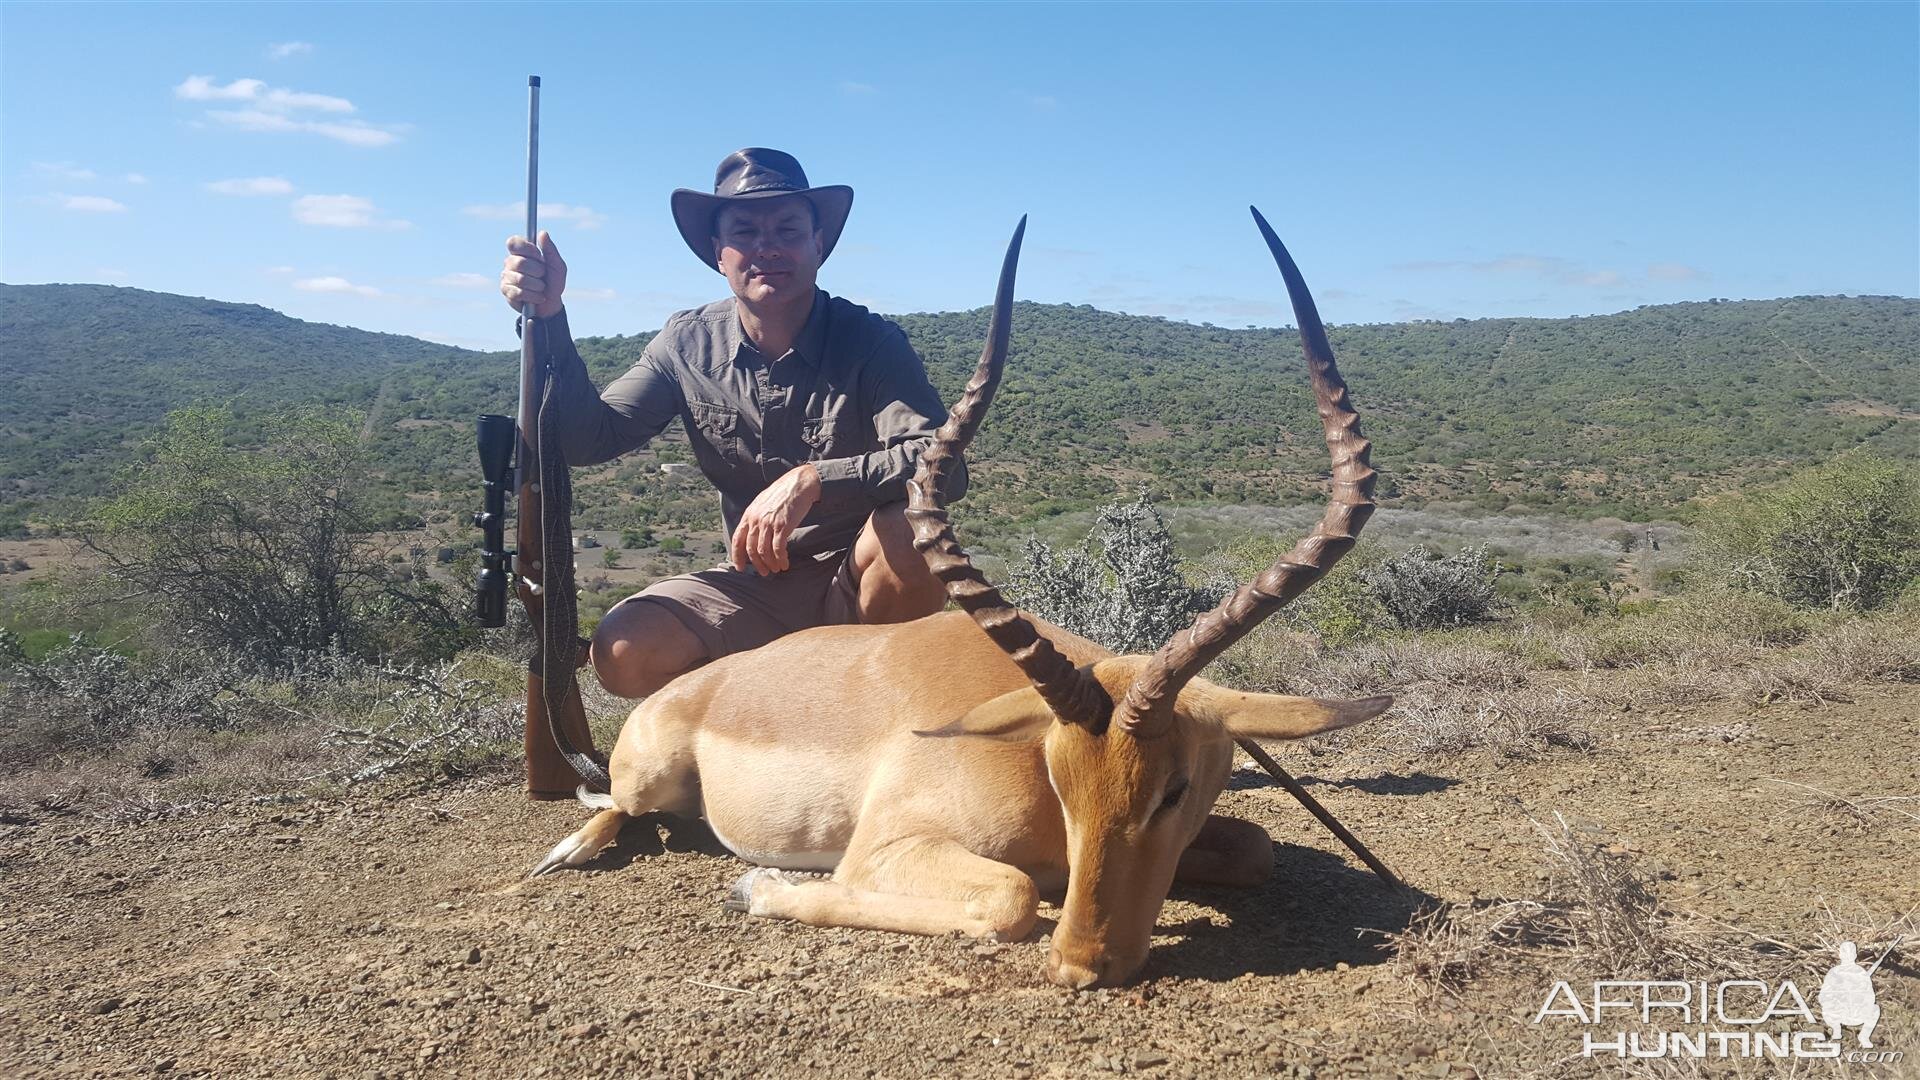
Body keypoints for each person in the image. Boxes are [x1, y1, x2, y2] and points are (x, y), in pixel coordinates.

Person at [498, 148, 959, 699]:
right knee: (624, 650)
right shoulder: (685, 343)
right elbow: (589, 437)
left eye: (788, 229)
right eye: (744, 232)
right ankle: (765, 726)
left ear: (818, 244)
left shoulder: (873, 343)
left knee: (911, 530)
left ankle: (878, 714)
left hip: (858, 583)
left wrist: (812, 479)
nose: (767, 247)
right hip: (753, 585)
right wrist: (548, 319)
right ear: (719, 253)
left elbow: (941, 467)